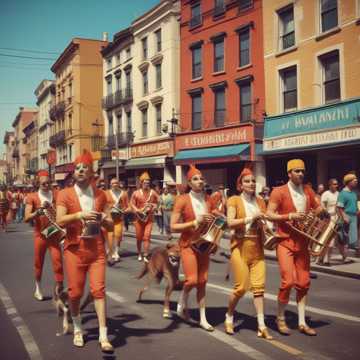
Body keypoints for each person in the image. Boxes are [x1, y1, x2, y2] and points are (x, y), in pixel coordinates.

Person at [56, 150, 114, 352]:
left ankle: (103, 335)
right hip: (74, 249)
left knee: (99, 290)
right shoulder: (65, 194)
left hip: (96, 248)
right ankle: (78, 328)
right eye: (78, 168)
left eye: (85, 168)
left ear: (91, 173)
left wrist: (106, 220)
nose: (81, 171)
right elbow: (60, 219)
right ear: (74, 172)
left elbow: (110, 225)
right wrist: (79, 214)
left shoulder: (101, 195)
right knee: (76, 293)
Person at [266, 159, 322, 336]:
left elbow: (319, 207)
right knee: (288, 281)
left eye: (302, 171)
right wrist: (290, 215)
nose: (300, 174)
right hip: (285, 242)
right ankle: (280, 318)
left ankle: (302, 322)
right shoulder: (279, 191)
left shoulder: (308, 190)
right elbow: (269, 213)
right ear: (289, 173)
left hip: (303, 242)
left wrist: (315, 212)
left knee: (304, 283)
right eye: (297, 171)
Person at [224, 167, 273, 339]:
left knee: (259, 289)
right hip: (240, 246)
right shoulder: (234, 200)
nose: (251, 183)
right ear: (240, 185)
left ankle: (261, 325)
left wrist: (267, 226)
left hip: (257, 247)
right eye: (247, 181)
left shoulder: (260, 202)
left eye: (253, 181)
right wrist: (251, 218)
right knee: (241, 288)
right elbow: (230, 222)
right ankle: (229, 315)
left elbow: (266, 224)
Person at [170, 165, 217, 331]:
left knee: (203, 281)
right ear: (189, 183)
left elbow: (217, 220)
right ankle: (182, 300)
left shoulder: (209, 200)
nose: (200, 181)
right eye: (195, 179)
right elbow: (173, 226)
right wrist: (194, 222)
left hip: (204, 245)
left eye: (201, 178)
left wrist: (218, 220)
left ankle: (203, 318)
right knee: (192, 280)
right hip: (188, 244)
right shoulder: (182, 199)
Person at [24, 170, 64, 301]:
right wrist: (38, 212)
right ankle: (38, 288)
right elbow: (26, 217)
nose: (46, 185)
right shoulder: (32, 197)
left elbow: (63, 209)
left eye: (48, 183)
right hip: (40, 235)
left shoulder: (57, 194)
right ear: (38, 184)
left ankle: (59, 291)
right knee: (38, 262)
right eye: (43, 184)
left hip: (53, 234)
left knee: (58, 263)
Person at [130, 172, 159, 262]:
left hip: (149, 218)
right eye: (145, 182)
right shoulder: (136, 193)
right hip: (138, 218)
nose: (147, 184)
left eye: (148, 183)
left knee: (147, 236)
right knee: (139, 237)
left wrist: (154, 206)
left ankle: (146, 254)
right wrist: (137, 210)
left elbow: (159, 202)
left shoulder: (153, 192)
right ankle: (139, 253)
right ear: (141, 183)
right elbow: (131, 204)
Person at [319, 179, 345, 265]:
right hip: (328, 219)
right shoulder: (326, 194)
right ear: (330, 185)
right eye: (334, 184)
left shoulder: (339, 194)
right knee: (328, 239)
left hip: (337, 219)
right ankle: (324, 259)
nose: (336, 186)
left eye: (337, 184)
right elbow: (322, 206)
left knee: (334, 240)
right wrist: (327, 214)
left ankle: (324, 259)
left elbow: (341, 206)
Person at [105, 178, 130, 264]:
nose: (114, 185)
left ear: (119, 184)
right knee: (110, 236)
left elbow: (128, 206)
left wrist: (125, 211)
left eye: (116, 183)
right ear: (110, 185)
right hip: (109, 218)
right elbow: (102, 205)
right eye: (112, 183)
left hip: (119, 218)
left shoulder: (124, 194)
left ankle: (116, 252)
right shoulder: (106, 193)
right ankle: (110, 251)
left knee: (118, 235)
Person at [337, 173, 359, 254]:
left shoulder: (353, 193)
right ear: (348, 182)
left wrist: (357, 211)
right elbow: (339, 207)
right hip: (346, 217)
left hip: (354, 217)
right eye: (354, 180)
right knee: (344, 239)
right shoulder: (343, 193)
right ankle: (344, 257)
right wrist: (344, 216)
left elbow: (356, 205)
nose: (356, 181)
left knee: (352, 239)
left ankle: (345, 256)